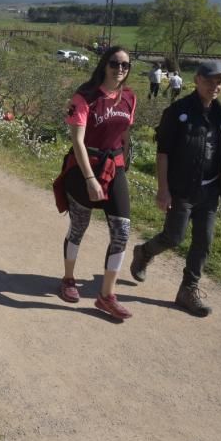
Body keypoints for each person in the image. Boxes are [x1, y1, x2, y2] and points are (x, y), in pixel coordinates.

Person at [130, 61, 221, 317]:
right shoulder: (177, 111)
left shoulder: (220, 113)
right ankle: (144, 252)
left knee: (204, 241)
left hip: (209, 190)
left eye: (219, 82)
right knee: (173, 237)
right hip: (182, 188)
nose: (215, 86)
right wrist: (163, 189)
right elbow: (163, 152)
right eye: (209, 81)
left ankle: (188, 290)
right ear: (196, 80)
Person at [53, 46, 136, 320]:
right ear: (104, 65)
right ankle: (68, 279)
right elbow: (77, 141)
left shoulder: (129, 98)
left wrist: (125, 164)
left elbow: (125, 135)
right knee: (79, 226)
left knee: (122, 231)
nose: (120, 69)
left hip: (115, 168)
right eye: (115, 63)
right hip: (84, 168)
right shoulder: (85, 97)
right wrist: (90, 178)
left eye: (125, 65)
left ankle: (107, 295)